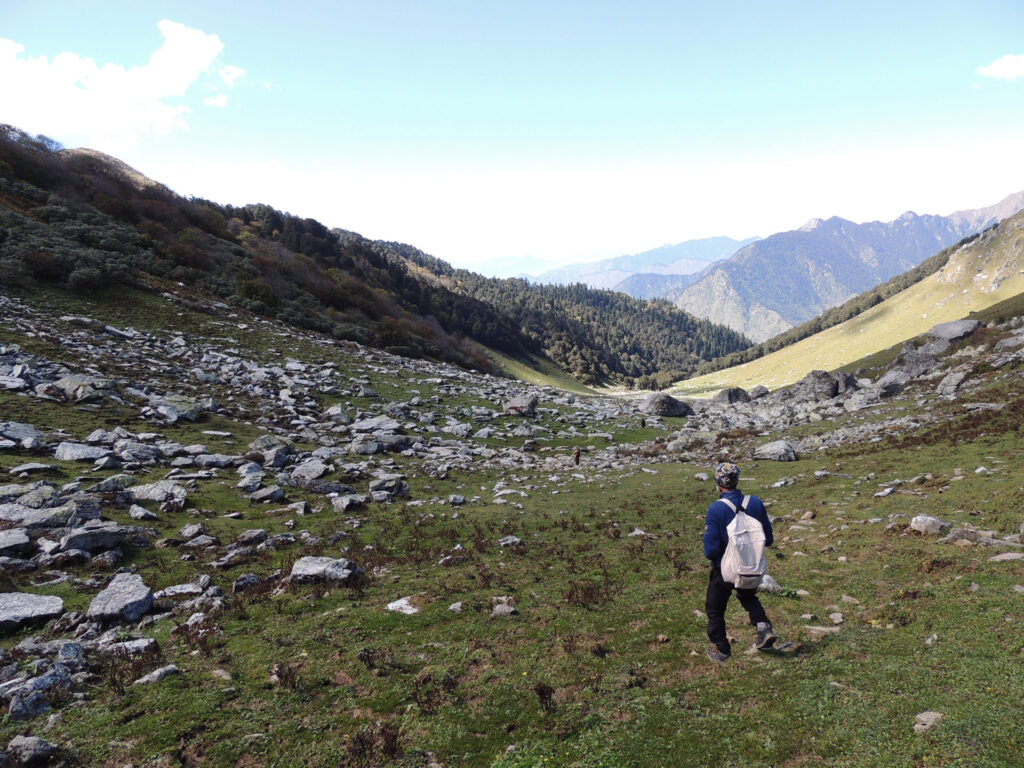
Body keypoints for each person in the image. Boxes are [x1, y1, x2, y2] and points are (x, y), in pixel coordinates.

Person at [703, 461, 776, 663]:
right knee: (748, 596)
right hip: (751, 566)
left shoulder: (716, 509)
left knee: (715, 608)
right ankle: (763, 627)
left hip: (724, 569)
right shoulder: (755, 502)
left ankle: (723, 651)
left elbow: (711, 550)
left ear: (718, 483)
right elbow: (768, 539)